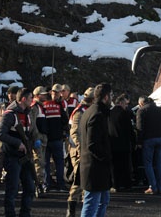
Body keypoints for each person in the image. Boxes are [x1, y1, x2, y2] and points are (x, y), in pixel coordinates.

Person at [0, 87, 38, 217]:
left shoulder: (28, 113)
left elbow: (30, 131)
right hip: (12, 156)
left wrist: (34, 141)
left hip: (25, 157)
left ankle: (25, 214)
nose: (32, 100)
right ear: (24, 99)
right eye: (31, 98)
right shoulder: (10, 114)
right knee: (12, 189)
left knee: (30, 188)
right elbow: (1, 135)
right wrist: (18, 143)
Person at [79, 83, 113, 217]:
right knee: (92, 203)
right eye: (111, 95)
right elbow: (92, 144)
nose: (112, 98)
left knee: (103, 201)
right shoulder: (97, 114)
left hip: (97, 167)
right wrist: (106, 158)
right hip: (94, 167)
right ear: (106, 97)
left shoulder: (91, 111)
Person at [65, 87, 93, 217]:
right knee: (79, 180)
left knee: (86, 181)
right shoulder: (79, 112)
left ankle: (84, 209)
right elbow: (74, 133)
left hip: (86, 149)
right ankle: (71, 208)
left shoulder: (88, 110)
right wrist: (81, 148)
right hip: (78, 150)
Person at [136, 97, 161, 195]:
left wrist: (139, 142)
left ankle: (153, 187)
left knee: (148, 163)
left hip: (148, 140)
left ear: (141, 103)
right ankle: (160, 187)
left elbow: (140, 128)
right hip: (160, 139)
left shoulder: (141, 111)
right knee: (158, 164)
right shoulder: (160, 110)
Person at [43, 83, 69, 192]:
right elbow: (65, 121)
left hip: (47, 138)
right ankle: (60, 184)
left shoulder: (44, 105)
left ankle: (47, 184)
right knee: (59, 163)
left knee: (46, 163)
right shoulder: (60, 106)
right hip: (57, 138)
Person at [108, 93, 134, 193]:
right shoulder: (124, 113)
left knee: (114, 166)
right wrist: (133, 141)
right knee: (125, 165)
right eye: (125, 104)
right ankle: (127, 184)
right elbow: (129, 129)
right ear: (121, 103)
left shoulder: (110, 113)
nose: (126, 106)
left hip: (113, 143)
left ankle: (115, 185)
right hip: (124, 143)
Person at [30, 86, 48, 198]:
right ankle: (38, 185)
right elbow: (32, 124)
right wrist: (36, 138)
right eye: (43, 94)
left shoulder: (41, 107)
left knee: (41, 162)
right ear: (37, 95)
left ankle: (40, 183)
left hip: (42, 138)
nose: (45, 96)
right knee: (38, 162)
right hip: (38, 138)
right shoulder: (34, 107)